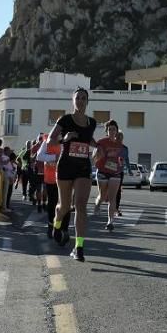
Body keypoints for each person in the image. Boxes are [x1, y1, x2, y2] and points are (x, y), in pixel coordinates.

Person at [48, 88, 98, 261]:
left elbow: (88, 140)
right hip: (66, 166)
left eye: (84, 98)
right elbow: (50, 140)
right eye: (78, 98)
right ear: (73, 100)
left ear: (87, 102)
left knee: (81, 206)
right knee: (64, 206)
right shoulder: (65, 119)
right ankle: (57, 223)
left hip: (83, 166)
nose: (81, 101)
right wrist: (65, 139)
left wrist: (98, 147)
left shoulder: (92, 122)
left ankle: (79, 247)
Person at [94, 120, 125, 231]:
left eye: (114, 129)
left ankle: (110, 221)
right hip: (102, 171)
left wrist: (121, 164)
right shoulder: (101, 142)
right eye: (110, 129)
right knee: (103, 196)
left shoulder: (119, 144)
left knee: (112, 198)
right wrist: (99, 155)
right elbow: (94, 158)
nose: (112, 131)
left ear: (117, 131)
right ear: (106, 131)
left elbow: (122, 158)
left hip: (114, 173)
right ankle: (97, 204)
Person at [36, 135, 61, 239]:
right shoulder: (48, 140)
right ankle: (51, 225)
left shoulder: (68, 139)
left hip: (65, 177)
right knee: (52, 202)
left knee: (64, 204)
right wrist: (55, 157)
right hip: (51, 177)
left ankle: (60, 227)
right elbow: (39, 156)